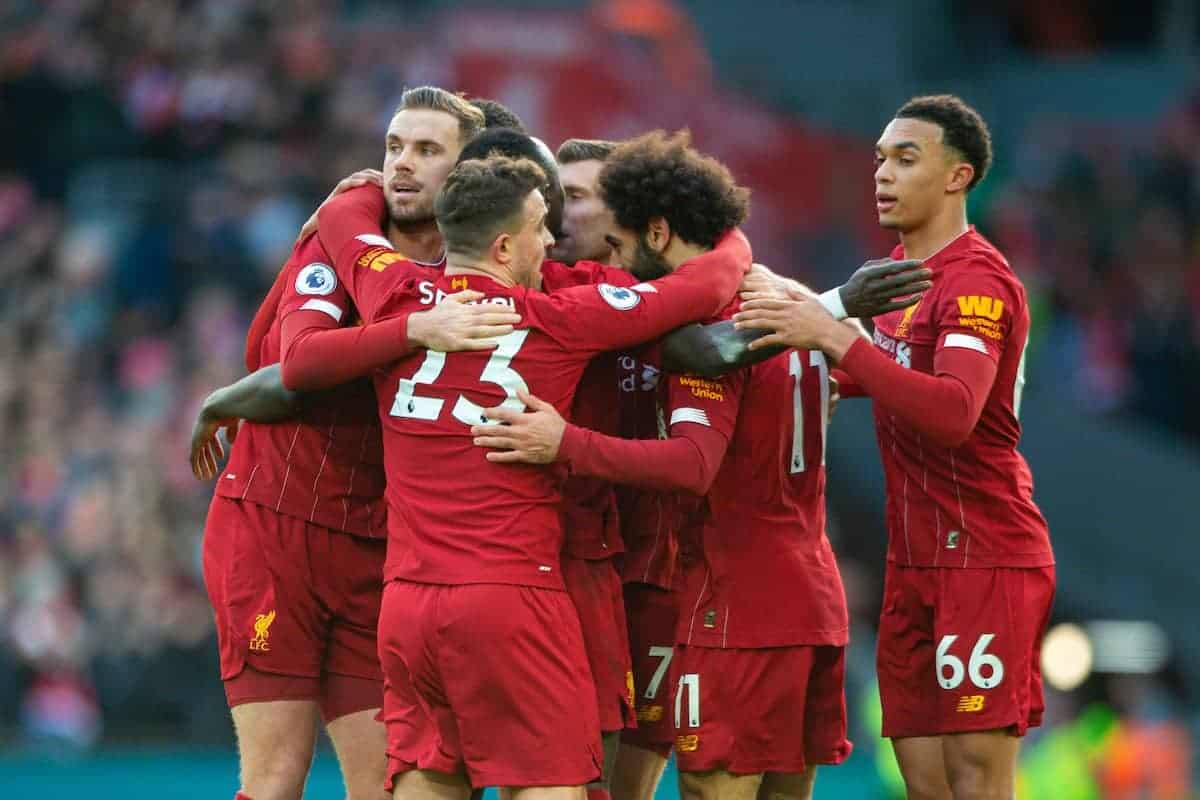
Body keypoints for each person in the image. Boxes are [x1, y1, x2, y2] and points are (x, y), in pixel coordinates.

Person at [292, 153, 751, 799]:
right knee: (551, 788)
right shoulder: (556, 321)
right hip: (510, 601)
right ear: (505, 246)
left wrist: (369, 185)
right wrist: (733, 233)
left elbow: (342, 219)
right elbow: (703, 287)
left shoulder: (393, 297)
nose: (550, 238)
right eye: (540, 225)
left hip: (407, 606)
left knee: (430, 783)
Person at [471, 130, 909, 800]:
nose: (617, 263)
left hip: (729, 601)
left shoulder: (710, 325)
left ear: (657, 228)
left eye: (618, 242)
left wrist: (561, 441)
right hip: (809, 596)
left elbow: (693, 462)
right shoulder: (790, 302)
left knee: (699, 788)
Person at [189, 86, 509, 800]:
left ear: (468, 174)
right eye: (394, 146)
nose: (401, 164)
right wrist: (411, 330)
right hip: (272, 528)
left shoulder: (487, 272)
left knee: (389, 786)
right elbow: (289, 357)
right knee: (275, 779)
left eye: (428, 151)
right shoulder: (346, 234)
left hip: (377, 549)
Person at [732, 94, 1056, 800]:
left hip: (984, 556)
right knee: (927, 785)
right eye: (880, 158)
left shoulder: (977, 282)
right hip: (911, 563)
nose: (882, 173)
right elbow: (881, 374)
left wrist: (835, 337)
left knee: (976, 779)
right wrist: (815, 365)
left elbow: (953, 412)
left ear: (958, 177)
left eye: (906, 159)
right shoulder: (899, 275)